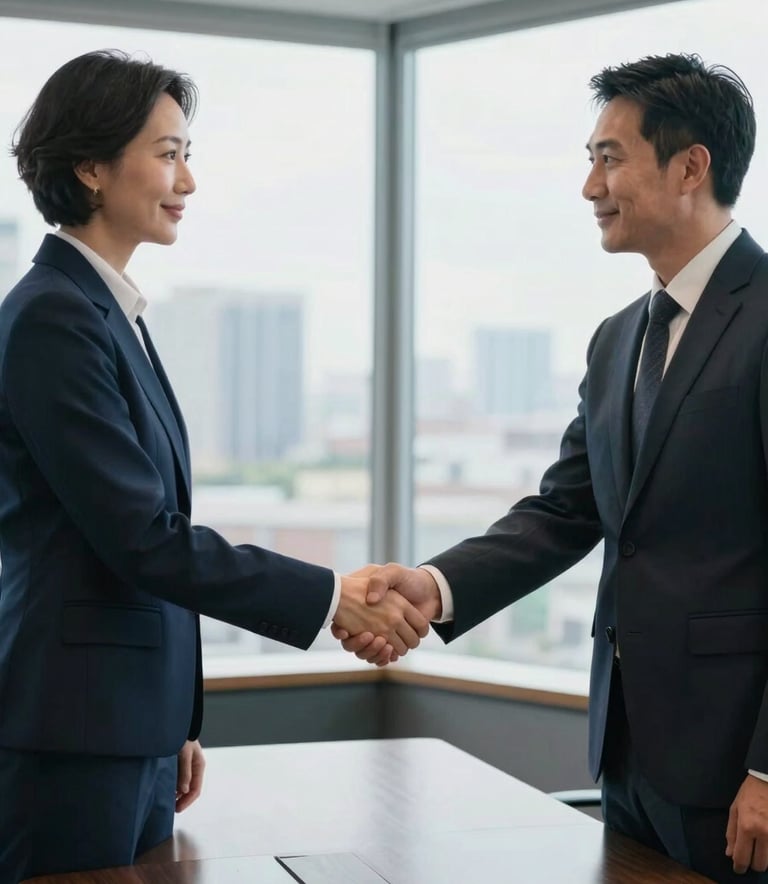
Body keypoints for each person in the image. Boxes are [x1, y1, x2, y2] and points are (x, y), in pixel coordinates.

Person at [338, 53, 768, 882]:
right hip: (628, 755)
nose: (589, 187)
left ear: (690, 167)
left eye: (609, 158)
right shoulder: (617, 338)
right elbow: (566, 512)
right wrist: (435, 586)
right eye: (589, 160)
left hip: (738, 771)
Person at [0, 50, 427, 883]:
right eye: (167, 153)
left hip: (125, 723)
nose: (186, 181)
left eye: (185, 154)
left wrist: (175, 720)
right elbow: (142, 538)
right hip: (71, 728)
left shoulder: (105, 310)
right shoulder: (55, 316)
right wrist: (332, 597)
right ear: (89, 166)